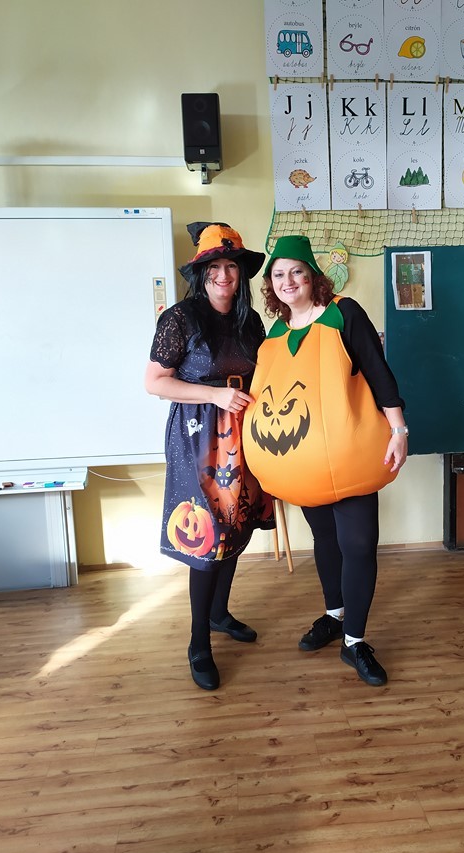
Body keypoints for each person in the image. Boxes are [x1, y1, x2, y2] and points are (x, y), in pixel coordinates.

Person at [242, 235, 407, 687]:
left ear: (313, 276)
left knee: (359, 543)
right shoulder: (274, 336)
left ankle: (355, 641)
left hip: (352, 457)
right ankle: (334, 615)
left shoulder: (343, 313)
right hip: (302, 465)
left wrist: (399, 430)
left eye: (296, 271)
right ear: (271, 286)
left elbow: (378, 372)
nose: (288, 281)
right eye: (278, 274)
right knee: (326, 540)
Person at [145, 222, 274, 691]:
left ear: (241, 273)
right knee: (206, 537)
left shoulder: (249, 320)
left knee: (236, 525)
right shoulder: (179, 319)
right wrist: (215, 395)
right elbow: (155, 383)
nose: (224, 275)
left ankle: (219, 613)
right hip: (198, 438)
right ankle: (198, 641)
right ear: (202, 274)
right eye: (214, 267)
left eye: (231, 267)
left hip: (244, 433)